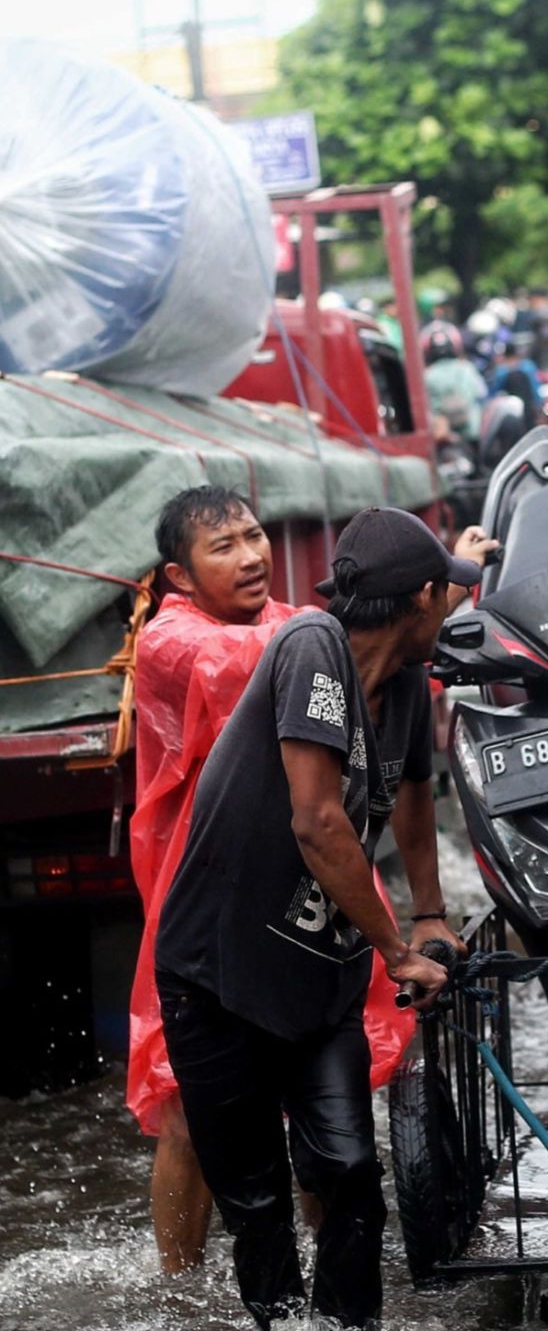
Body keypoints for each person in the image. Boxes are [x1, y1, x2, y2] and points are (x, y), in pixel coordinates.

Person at [154, 509, 481, 1331]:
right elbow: (318, 822)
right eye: (447, 589)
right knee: (256, 1201)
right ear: (423, 596)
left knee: (348, 1175)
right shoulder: (310, 648)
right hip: (215, 972)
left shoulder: (408, 680)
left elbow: (413, 795)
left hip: (319, 975)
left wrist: (430, 915)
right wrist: (397, 951)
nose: (452, 601)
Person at [130, 489, 298, 1273]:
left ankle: (328, 1277)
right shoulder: (170, 638)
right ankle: (177, 1291)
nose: (252, 555)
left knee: (321, 1092)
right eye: (224, 545)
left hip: (296, 877)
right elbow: (244, 666)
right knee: (186, 1107)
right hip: (201, 894)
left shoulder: (283, 622)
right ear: (180, 576)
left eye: (255, 535)